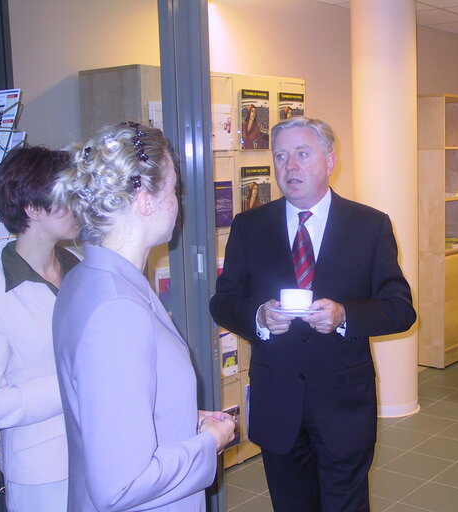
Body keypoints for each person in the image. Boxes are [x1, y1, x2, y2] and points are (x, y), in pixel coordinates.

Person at [210, 117, 416, 512]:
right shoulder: (251, 226)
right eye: (281, 156)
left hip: (344, 405)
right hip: (278, 402)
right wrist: (259, 318)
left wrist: (344, 317)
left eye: (303, 154)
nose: (290, 167)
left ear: (329, 161)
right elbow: (224, 300)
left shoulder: (370, 225)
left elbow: (400, 309)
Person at [51, 122, 235, 511]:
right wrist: (210, 442)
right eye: (173, 189)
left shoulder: (90, 278)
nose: (177, 202)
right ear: (146, 200)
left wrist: (181, 415)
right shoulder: (115, 309)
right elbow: (122, 485)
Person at [0, 146, 80, 511]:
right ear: (33, 209)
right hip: (42, 469)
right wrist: (70, 384)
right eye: (66, 195)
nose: (78, 203)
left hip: (102, 448)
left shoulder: (83, 268)